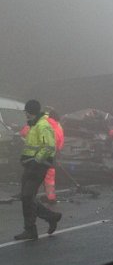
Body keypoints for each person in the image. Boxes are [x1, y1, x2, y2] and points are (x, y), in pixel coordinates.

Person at [14, 99, 62, 241]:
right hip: (31, 165)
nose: (25, 115)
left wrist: (36, 160)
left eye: (26, 112)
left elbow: (49, 146)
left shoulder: (42, 125)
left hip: (37, 166)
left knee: (27, 196)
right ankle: (49, 218)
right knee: (26, 196)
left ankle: (32, 229)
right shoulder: (35, 125)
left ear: (29, 112)